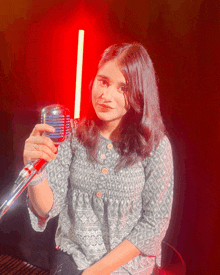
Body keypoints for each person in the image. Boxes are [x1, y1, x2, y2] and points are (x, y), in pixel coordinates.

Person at [24, 43, 174, 275]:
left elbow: (154, 224)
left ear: (139, 94)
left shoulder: (154, 146)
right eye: (103, 81)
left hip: (128, 264)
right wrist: (36, 170)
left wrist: (98, 271)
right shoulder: (73, 135)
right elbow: (46, 209)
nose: (106, 95)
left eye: (123, 88)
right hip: (75, 254)